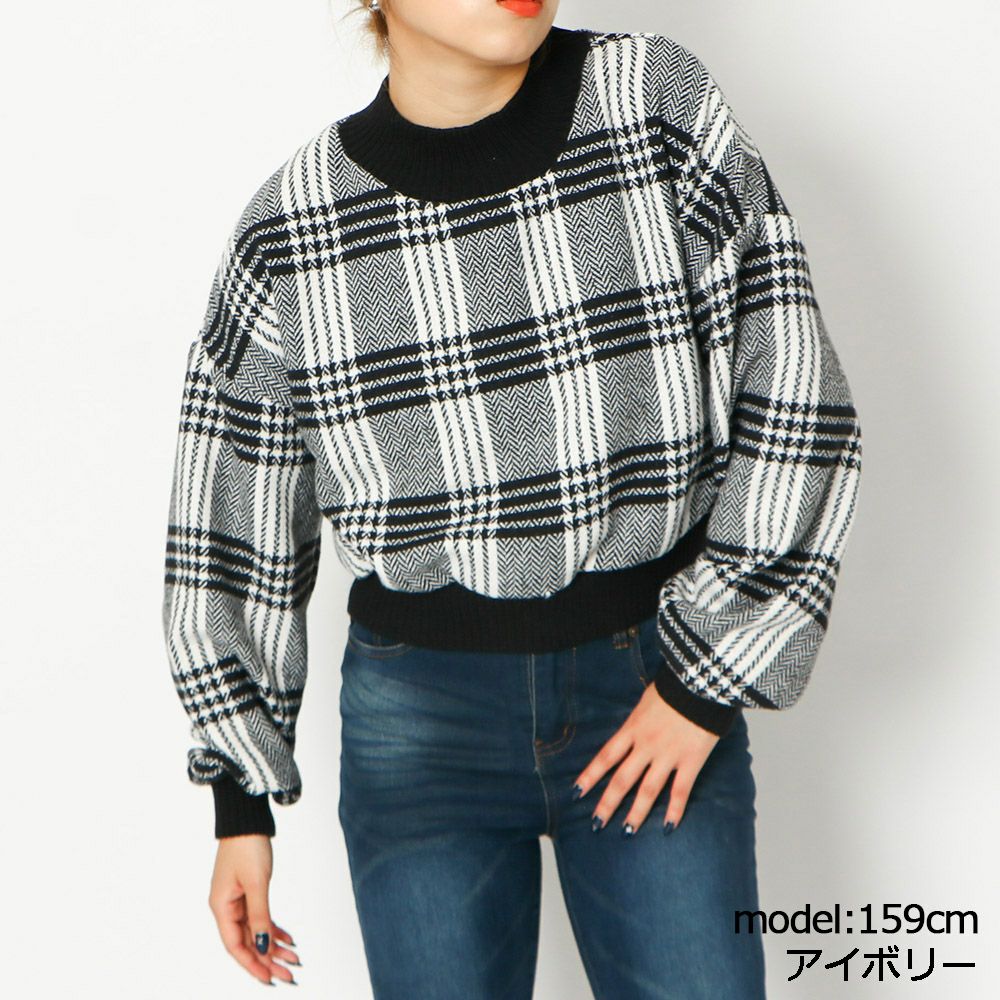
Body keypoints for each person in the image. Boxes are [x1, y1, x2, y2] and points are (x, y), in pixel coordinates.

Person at [161, 0, 863, 995]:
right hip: (419, 725)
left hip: (649, 680)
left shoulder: (652, 102)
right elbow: (231, 513)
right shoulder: (292, 225)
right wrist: (239, 798)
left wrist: (704, 680)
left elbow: (792, 385)